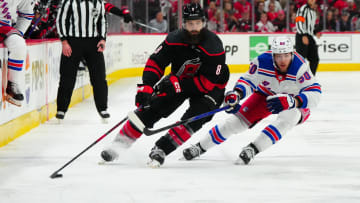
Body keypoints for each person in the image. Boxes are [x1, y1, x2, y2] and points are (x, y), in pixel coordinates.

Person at [100, 3, 229, 167]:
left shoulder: (214, 46)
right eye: (190, 24)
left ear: (204, 23)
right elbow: (156, 61)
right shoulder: (174, 39)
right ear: (183, 24)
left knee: (195, 117)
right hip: (180, 79)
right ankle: (118, 146)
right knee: (152, 107)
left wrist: (177, 84)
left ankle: (162, 149)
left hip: (212, 87)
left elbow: (207, 84)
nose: (194, 27)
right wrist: (146, 86)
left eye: (197, 23)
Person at [182, 37, 322, 165]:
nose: (283, 60)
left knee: (289, 118)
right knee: (235, 123)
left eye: (286, 55)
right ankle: (200, 147)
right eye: (279, 56)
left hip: (293, 99)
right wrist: (237, 93)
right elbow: (248, 80)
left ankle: (253, 149)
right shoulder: (262, 61)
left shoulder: (300, 67)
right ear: (272, 55)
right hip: (266, 93)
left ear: (292, 54)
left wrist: (294, 102)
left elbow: (315, 93)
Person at [55, 0, 109, 122]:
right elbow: (61, 20)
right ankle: (61, 109)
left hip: (93, 42)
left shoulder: (98, 2)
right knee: (67, 77)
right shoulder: (69, 2)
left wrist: (102, 38)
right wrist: (64, 41)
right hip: (73, 41)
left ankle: (103, 108)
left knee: (99, 77)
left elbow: (102, 20)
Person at [1, 0, 35, 106]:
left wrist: (18, 33)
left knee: (19, 44)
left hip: (3, 26)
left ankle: (12, 84)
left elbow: (27, 13)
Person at [295, 0, 321, 75]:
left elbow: (310, 26)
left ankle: (311, 78)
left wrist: (315, 32)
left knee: (315, 59)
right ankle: (297, 78)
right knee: (300, 60)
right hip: (301, 36)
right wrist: (303, 35)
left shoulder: (313, 12)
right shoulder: (303, 9)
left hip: (309, 36)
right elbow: (298, 22)